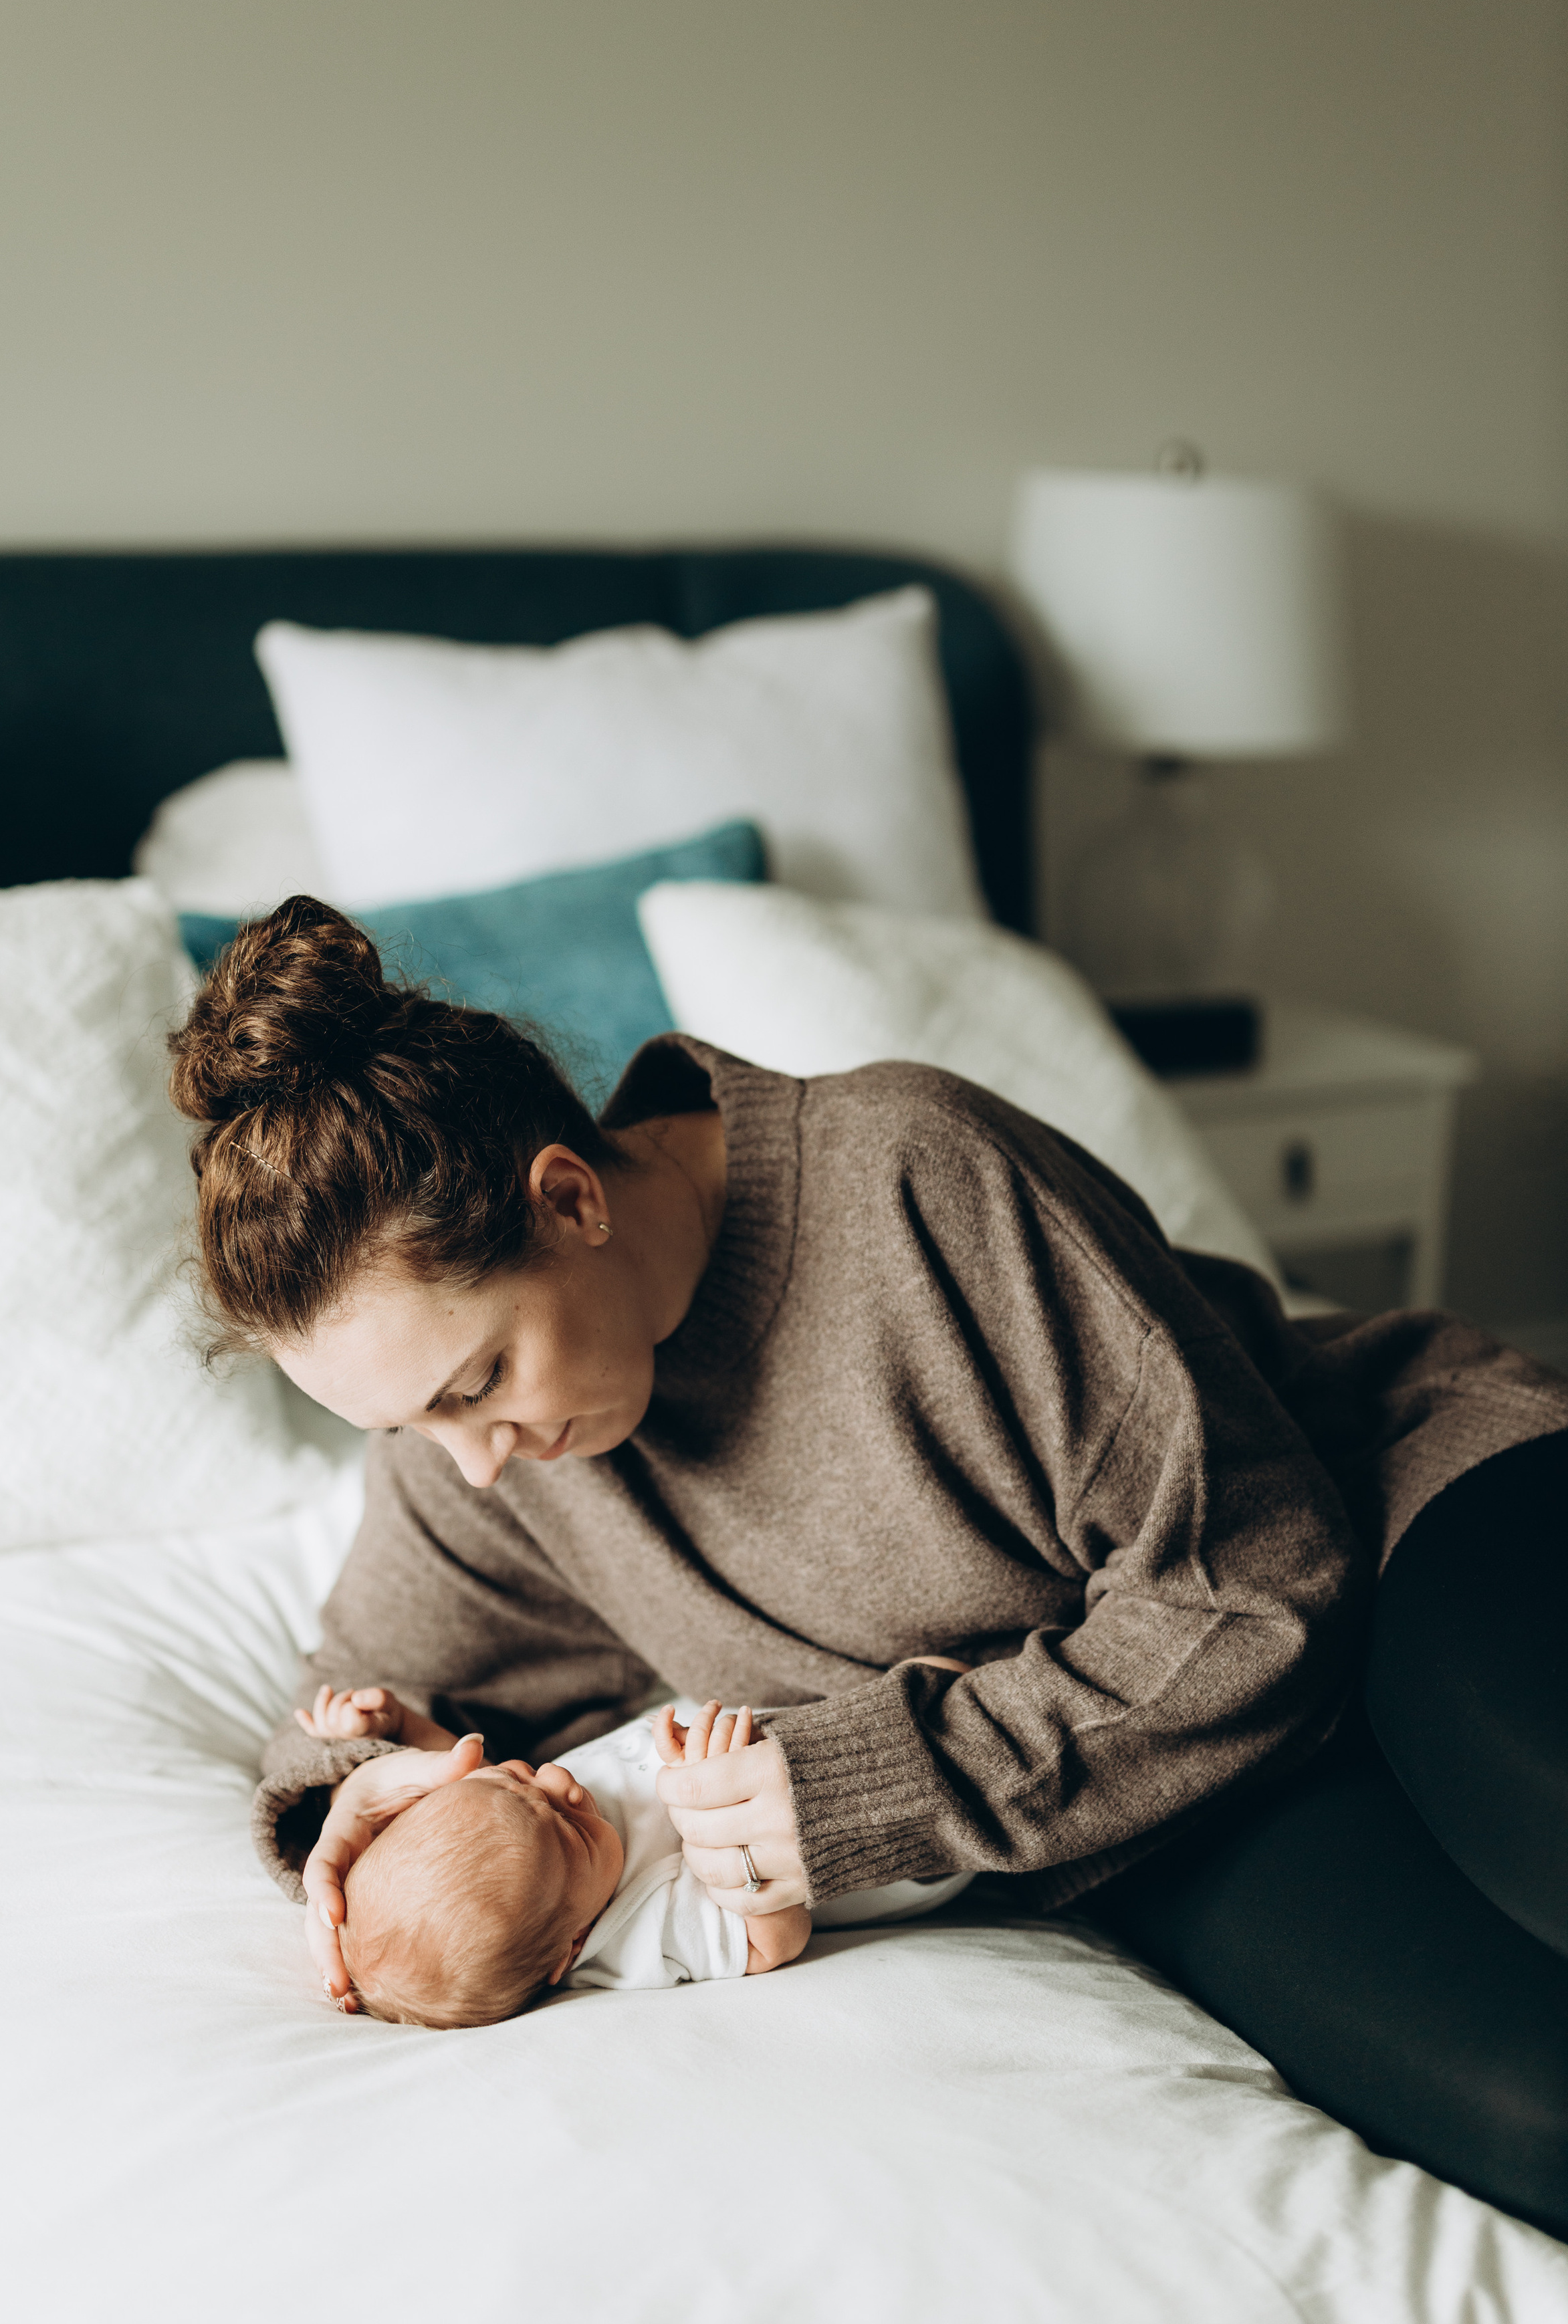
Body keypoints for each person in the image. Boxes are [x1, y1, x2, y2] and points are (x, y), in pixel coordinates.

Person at [171, 898, 1568, 2239]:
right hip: (1158, 1785)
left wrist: (871, 1786)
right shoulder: (476, 1463)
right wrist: (356, 1792)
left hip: (1393, 1516)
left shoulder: (912, 1177)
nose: (470, 1461)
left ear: (568, 1199)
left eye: (478, 1381)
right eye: (409, 1422)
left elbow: (1258, 1580)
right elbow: (350, 1708)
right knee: (1537, 2120)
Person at [298, 1692, 968, 2026]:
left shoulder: (521, 1839)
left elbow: (456, 1760)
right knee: (950, 1731)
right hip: (892, 1835)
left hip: (810, 1719)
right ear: (571, 1946)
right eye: (571, 1828)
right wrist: (720, 1830)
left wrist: (392, 1734)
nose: (560, 1785)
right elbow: (772, 1944)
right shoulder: (636, 1932)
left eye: (517, 1777)